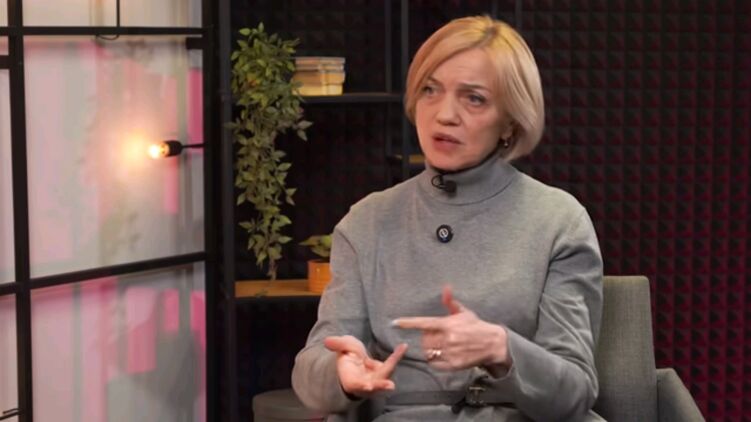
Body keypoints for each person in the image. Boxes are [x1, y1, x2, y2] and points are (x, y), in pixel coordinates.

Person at [292, 15, 604, 421]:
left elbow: (575, 392)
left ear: (510, 121)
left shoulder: (559, 221)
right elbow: (313, 366)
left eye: (474, 98)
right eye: (430, 90)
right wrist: (340, 373)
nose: (444, 115)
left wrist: (501, 349)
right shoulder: (366, 222)